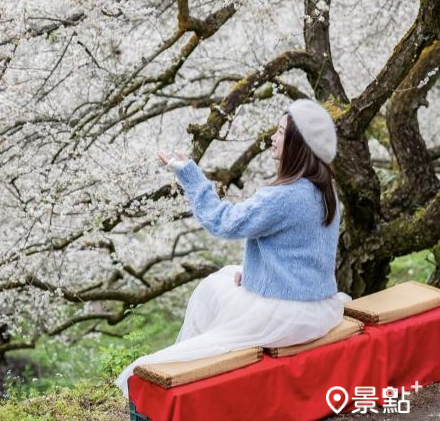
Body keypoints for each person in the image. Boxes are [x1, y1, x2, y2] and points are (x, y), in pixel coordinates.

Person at [115, 98, 351, 398]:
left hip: (288, 315)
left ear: (297, 144)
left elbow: (222, 222)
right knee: (229, 275)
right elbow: (299, 253)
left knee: (208, 291)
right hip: (320, 306)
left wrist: (190, 174)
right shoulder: (325, 188)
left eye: (280, 132)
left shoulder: (282, 198)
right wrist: (253, 276)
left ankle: (188, 383)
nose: (273, 138)